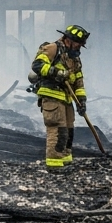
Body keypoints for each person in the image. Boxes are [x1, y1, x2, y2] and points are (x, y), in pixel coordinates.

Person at [30, 25, 89, 169]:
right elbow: (37, 65)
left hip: (67, 99)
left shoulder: (74, 58)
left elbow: (79, 81)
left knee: (68, 131)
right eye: (78, 43)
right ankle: (54, 165)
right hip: (52, 96)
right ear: (69, 40)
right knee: (57, 130)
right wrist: (55, 72)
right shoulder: (52, 48)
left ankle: (65, 160)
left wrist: (81, 100)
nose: (79, 47)